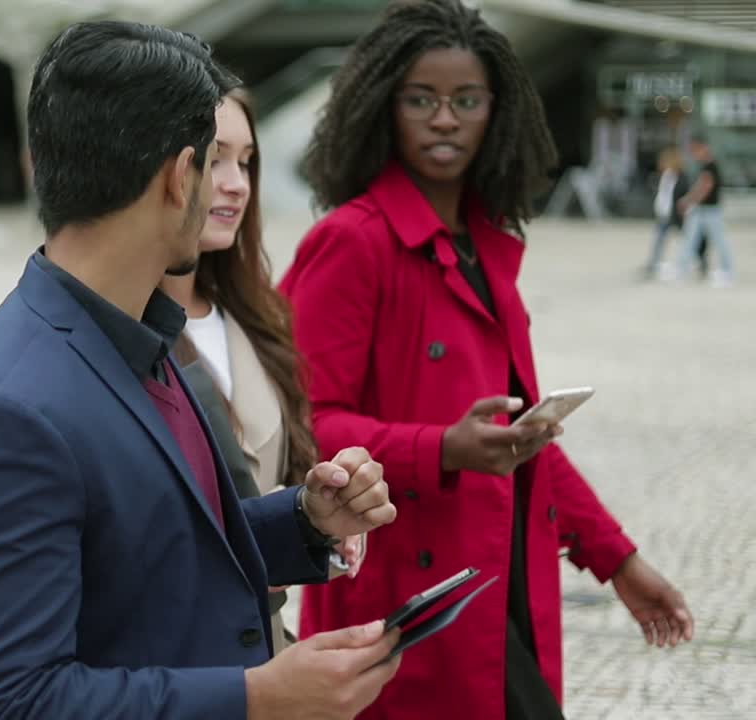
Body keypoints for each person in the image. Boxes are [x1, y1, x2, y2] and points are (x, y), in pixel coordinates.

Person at [0, 21, 401, 719]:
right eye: (214, 163)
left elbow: (155, 550)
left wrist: (304, 521)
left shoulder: (133, 332)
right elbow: (12, 703)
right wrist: (258, 698)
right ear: (179, 176)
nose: (226, 189)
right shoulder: (9, 413)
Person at [279, 2, 695, 719]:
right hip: (404, 607)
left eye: (467, 100)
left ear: (496, 113)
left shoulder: (485, 244)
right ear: (383, 106)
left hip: (506, 590)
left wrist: (619, 562)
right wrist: (443, 448)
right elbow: (304, 425)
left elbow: (525, 437)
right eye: (422, 99)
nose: (446, 119)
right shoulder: (354, 242)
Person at [159, 89, 367, 654]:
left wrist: (328, 515)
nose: (236, 183)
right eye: (215, 157)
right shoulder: (123, 333)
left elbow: (288, 474)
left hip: (265, 645)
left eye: (247, 161)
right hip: (176, 663)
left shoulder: (256, 317)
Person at [672, 136, 733, 287]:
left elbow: (704, 188)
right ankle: (681, 268)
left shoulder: (710, 166)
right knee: (689, 239)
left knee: (718, 241)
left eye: (694, 150)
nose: (693, 154)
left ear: (702, 148)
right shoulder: (706, 165)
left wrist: (688, 201)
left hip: (710, 210)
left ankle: (727, 271)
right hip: (701, 210)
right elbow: (701, 186)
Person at [642, 147, 688, 280]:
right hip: (665, 213)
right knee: (660, 239)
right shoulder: (666, 176)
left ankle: (688, 261)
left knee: (685, 240)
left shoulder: (679, 177)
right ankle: (654, 262)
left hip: (675, 214)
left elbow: (676, 196)